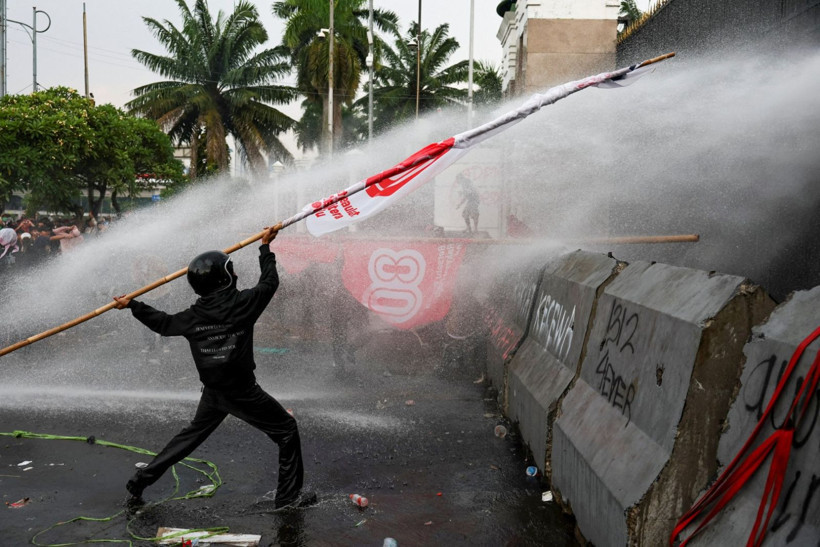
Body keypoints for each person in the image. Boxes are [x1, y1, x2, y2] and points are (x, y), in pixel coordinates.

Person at [112, 226, 315, 510]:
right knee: (287, 430)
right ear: (225, 278)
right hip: (242, 392)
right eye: (232, 271)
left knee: (189, 438)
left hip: (214, 392)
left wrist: (133, 304)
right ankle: (288, 500)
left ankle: (140, 480)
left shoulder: (193, 316)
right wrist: (265, 248)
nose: (236, 275)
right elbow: (269, 282)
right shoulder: (244, 304)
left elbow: (163, 323)